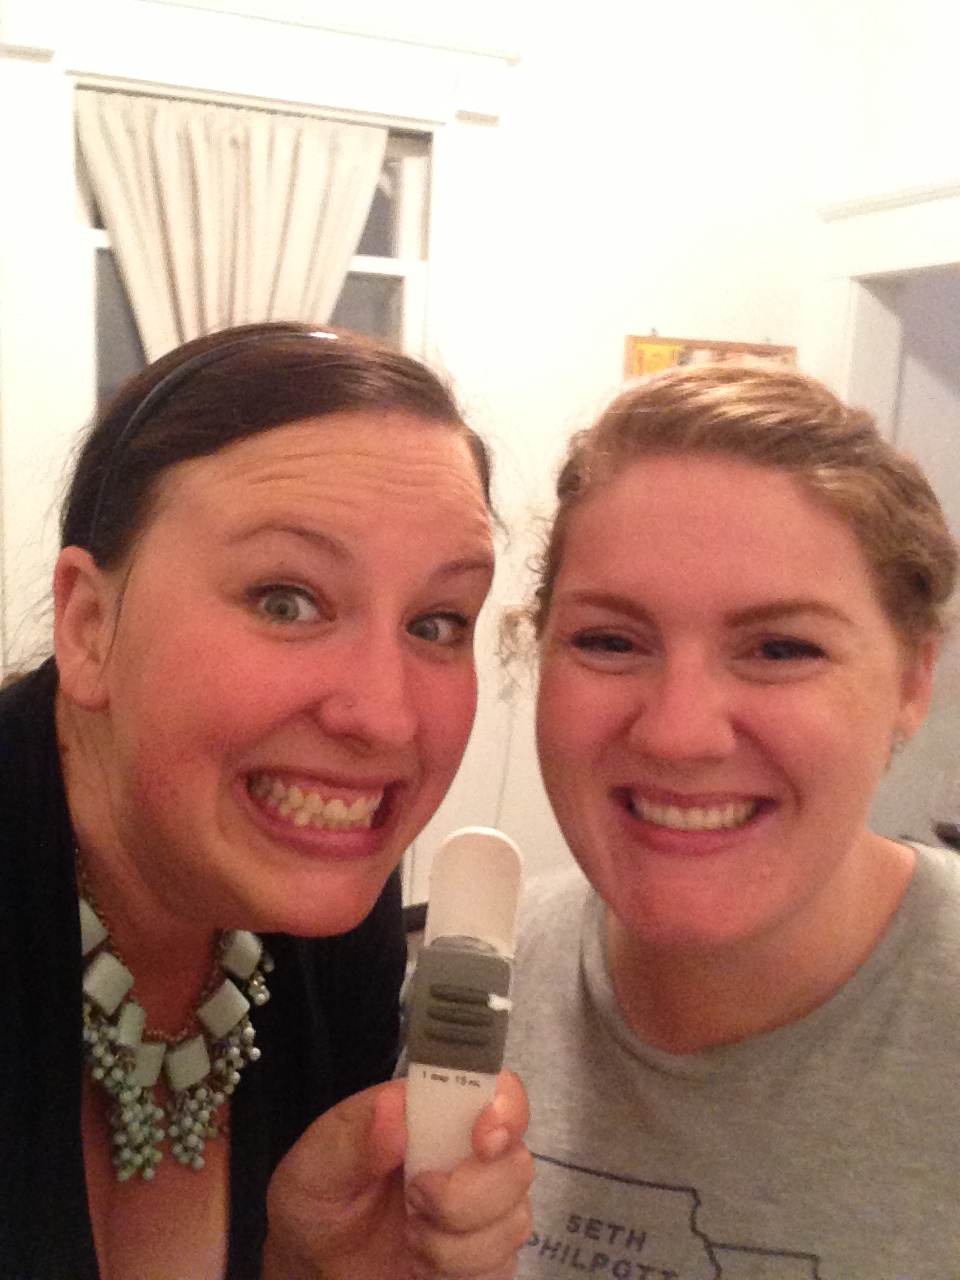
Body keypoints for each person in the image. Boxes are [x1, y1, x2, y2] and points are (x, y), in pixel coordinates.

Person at [0, 322, 532, 1279]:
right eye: (286, 601)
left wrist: (304, 1267)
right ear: (88, 624)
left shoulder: (329, 915)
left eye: (435, 622)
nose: (384, 717)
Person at [504, 362, 960, 1278]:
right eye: (610, 640)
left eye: (781, 648)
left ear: (913, 681)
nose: (678, 734)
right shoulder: (480, 975)